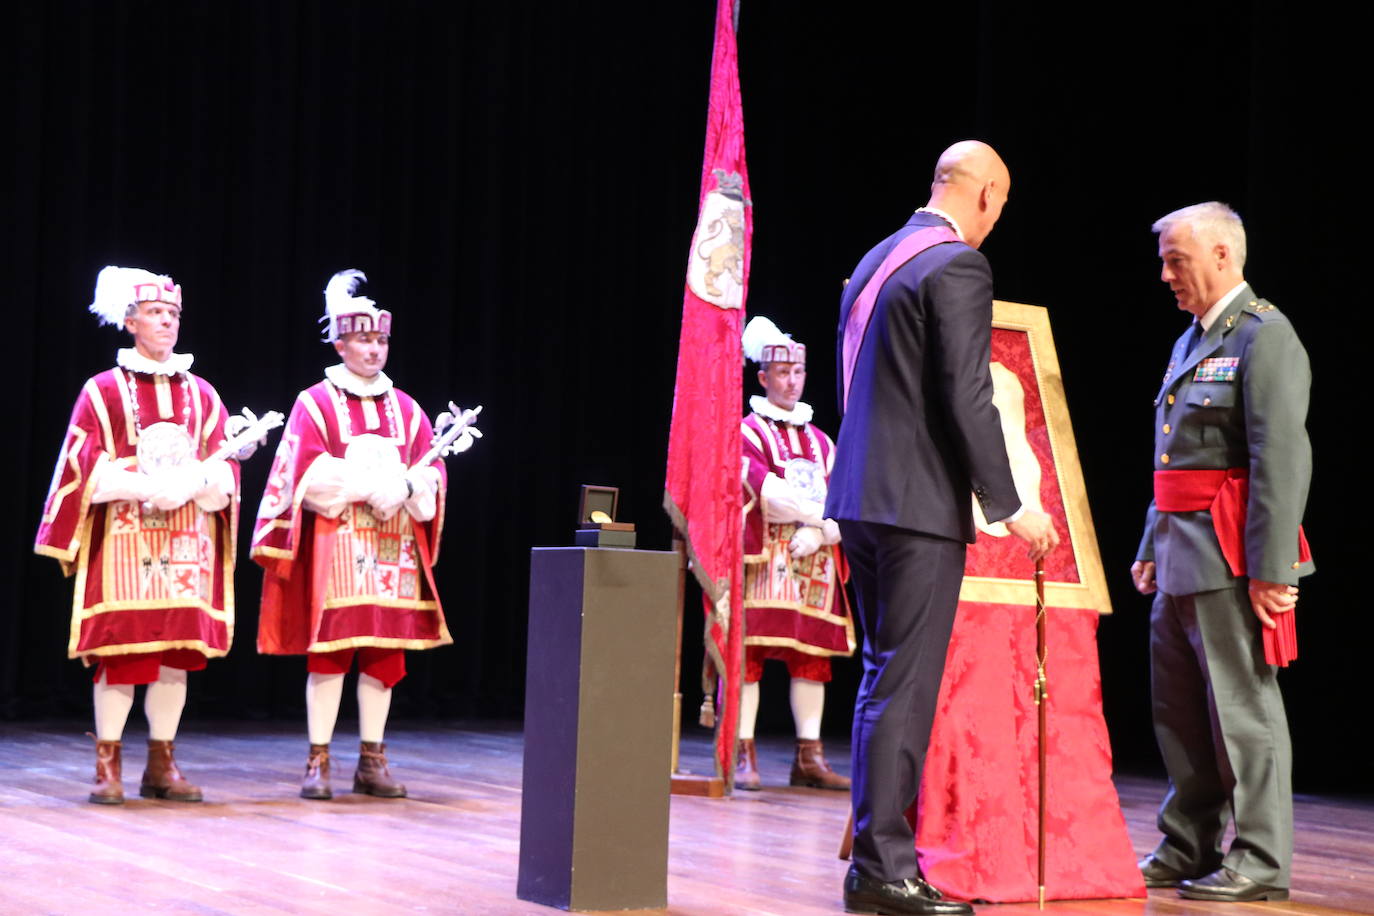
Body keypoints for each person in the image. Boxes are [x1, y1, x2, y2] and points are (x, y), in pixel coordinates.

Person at [825, 141, 1058, 915]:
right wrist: (1009, 503)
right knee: (903, 686)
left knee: (881, 683)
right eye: (1002, 205)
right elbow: (968, 394)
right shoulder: (958, 265)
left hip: (860, 497)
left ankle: (874, 863)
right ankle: (883, 870)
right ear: (987, 194)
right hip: (916, 508)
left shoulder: (877, 258)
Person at [1131, 202, 1310, 903]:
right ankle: (1189, 843)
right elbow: (1172, 456)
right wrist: (1151, 543)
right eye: (1164, 261)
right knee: (1179, 713)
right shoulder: (1192, 339)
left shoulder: (1266, 335)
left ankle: (1261, 859)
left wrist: (1271, 570)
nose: (1166, 274)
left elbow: (1280, 460)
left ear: (1222, 256)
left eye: (1176, 260)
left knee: (1243, 711)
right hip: (1180, 551)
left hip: (1230, 555)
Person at [252, 269, 474, 800]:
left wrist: (409, 485)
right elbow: (303, 474)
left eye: (380, 341)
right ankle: (318, 759)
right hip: (340, 544)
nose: (374, 350)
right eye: (363, 340)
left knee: (384, 654)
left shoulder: (408, 408)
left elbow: (431, 471)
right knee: (331, 651)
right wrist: (371, 486)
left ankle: (372, 761)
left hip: (394, 547)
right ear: (340, 343)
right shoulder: (315, 402)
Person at [35, 266, 241, 805]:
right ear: (130, 322)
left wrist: (193, 483)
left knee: (176, 652)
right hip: (125, 538)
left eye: (173, 314)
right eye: (155, 313)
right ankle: (108, 765)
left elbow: (226, 470)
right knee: (122, 651)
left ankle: (161, 763)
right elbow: (81, 465)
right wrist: (145, 485)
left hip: (186, 538)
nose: (167, 322)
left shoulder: (203, 393)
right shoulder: (102, 390)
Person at [736, 316, 854, 791]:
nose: (792, 382)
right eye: (783, 373)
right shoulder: (748, 432)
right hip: (766, 557)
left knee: (812, 657)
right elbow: (764, 488)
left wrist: (824, 535)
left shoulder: (822, 441)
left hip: (815, 559)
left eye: (798, 372)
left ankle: (809, 757)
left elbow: (846, 498)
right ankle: (742, 751)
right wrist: (818, 520)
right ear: (763, 377)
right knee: (748, 652)